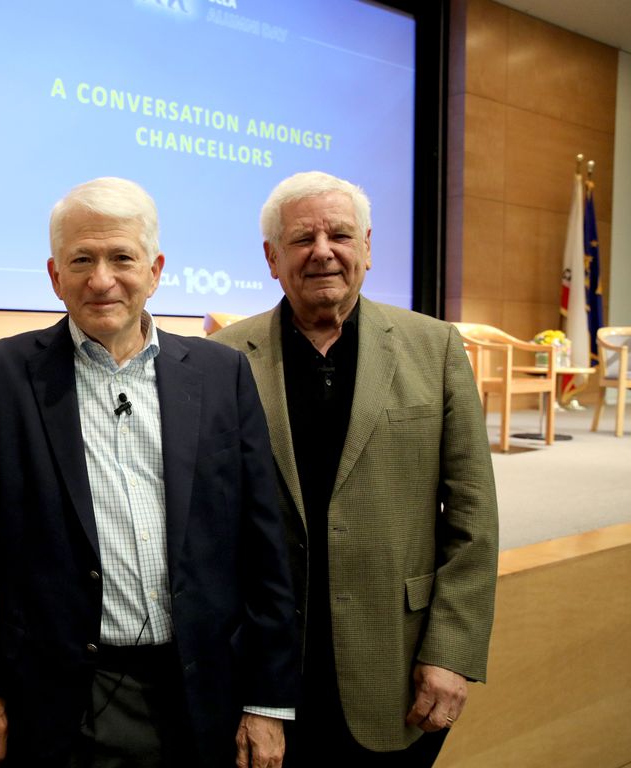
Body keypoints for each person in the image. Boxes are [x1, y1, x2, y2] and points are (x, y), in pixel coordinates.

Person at [0, 177, 299, 767]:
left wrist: (269, 701)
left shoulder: (221, 374)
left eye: (122, 257)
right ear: (54, 275)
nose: (102, 280)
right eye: (82, 260)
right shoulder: (0, 375)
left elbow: (264, 548)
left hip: (204, 690)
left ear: (155, 270)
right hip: (61, 699)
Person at [211, 171, 499, 766]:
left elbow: (473, 515)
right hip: (264, 671)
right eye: (301, 239)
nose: (322, 251)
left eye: (340, 234)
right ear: (271, 257)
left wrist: (451, 652)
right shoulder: (220, 360)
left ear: (367, 246)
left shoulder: (437, 347)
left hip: (396, 666)